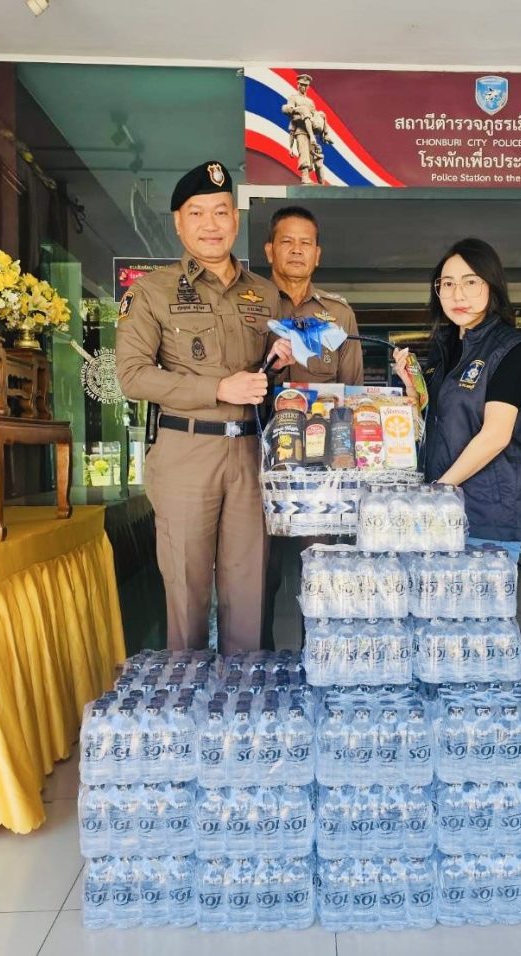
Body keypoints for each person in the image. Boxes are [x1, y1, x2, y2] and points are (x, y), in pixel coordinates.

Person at [116, 160, 293, 656]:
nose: (211, 224)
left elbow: (264, 380)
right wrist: (218, 388)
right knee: (187, 590)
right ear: (179, 222)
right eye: (197, 213)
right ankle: (186, 692)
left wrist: (276, 365)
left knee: (249, 589)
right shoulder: (151, 290)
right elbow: (132, 376)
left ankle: (244, 696)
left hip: (251, 455)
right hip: (186, 452)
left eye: (220, 211)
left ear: (235, 219)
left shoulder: (265, 294)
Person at [393, 237, 521, 563]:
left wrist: (437, 492)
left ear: (492, 286)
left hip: (485, 518)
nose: (458, 295)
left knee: (478, 599)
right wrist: (414, 395)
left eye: (470, 282)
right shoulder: (445, 349)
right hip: (438, 514)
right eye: (448, 284)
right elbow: (437, 428)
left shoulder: (511, 350)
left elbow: (495, 436)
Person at [261, 205, 364, 648]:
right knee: (257, 575)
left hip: (320, 470)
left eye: (306, 243)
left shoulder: (338, 315)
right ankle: (258, 668)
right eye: (287, 241)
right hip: (258, 463)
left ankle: (317, 662)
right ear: (270, 250)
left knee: (318, 571)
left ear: (318, 254)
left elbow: (352, 396)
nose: (297, 250)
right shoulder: (251, 307)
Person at [281, 73, 332, 185]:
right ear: (298, 85)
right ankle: (304, 177)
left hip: (311, 132)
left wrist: (320, 119)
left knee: (311, 155)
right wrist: (297, 110)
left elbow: (314, 115)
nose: (303, 87)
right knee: (303, 152)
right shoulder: (293, 97)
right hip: (300, 130)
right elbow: (289, 110)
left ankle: (326, 135)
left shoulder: (310, 101)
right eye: (302, 85)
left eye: (306, 85)